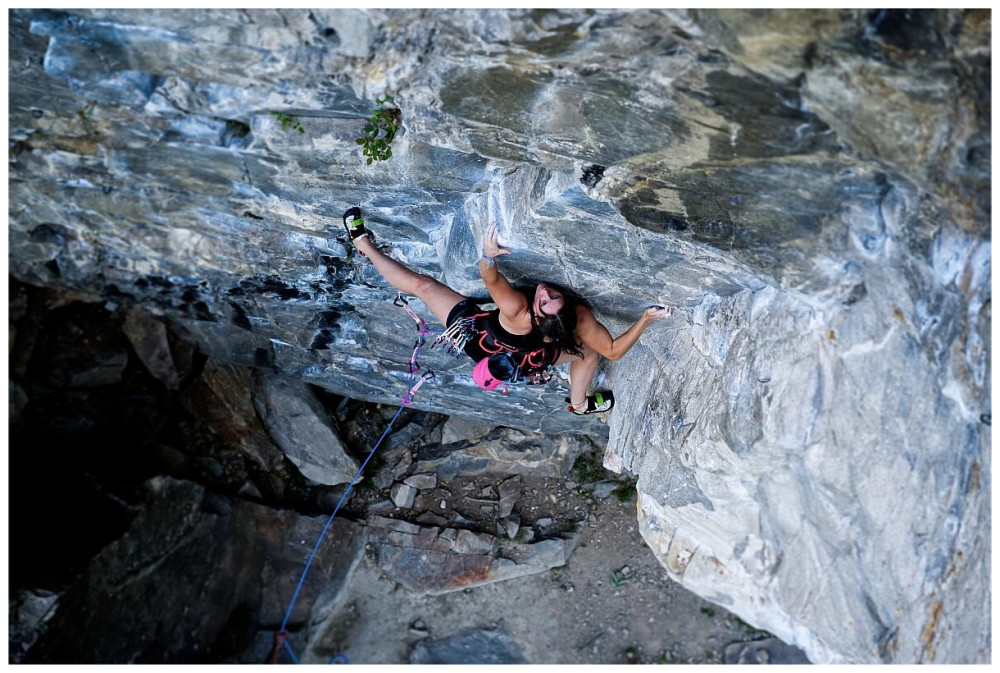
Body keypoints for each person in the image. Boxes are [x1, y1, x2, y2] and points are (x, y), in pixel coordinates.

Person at [343, 209, 672, 414]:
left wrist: (489, 256)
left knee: (424, 287)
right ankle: (581, 405)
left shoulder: (537, 312)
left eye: (547, 300)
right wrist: (644, 317)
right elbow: (612, 349)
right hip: (522, 358)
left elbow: (491, 277)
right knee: (586, 352)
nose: (544, 291)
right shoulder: (548, 313)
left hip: (479, 341)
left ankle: (361, 242)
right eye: (550, 296)